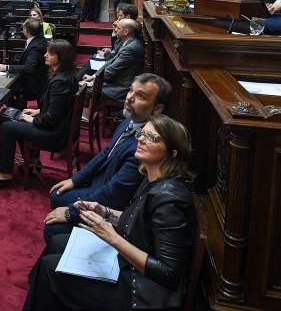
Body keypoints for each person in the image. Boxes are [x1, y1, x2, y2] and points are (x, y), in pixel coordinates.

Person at [25, 114, 197, 311]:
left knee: (50, 269)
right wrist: (104, 211)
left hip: (141, 291)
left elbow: (168, 273)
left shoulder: (170, 203)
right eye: (143, 133)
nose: (140, 139)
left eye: (152, 138)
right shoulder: (152, 176)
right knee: (57, 242)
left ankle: (42, 291)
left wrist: (110, 236)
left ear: (173, 153)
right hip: (130, 264)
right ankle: (38, 291)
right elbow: (135, 219)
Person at [44, 73, 171, 241]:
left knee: (53, 229)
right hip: (100, 184)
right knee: (57, 195)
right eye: (131, 91)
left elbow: (113, 196)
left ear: (157, 109)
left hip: (111, 207)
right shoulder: (129, 122)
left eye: (140, 96)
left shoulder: (144, 147)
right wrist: (74, 180)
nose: (130, 98)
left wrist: (70, 212)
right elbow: (105, 153)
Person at [0, 39, 78, 188]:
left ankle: (4, 174)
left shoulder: (60, 81)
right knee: (15, 116)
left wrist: (33, 120)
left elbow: (52, 118)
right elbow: (58, 107)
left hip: (54, 134)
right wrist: (37, 111)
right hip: (57, 128)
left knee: (7, 126)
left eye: (50, 53)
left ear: (61, 58)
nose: (45, 55)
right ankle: (33, 163)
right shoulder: (66, 76)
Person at [0, 18, 48, 104]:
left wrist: (6, 67)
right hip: (37, 78)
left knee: (3, 88)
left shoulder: (35, 47)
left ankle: (15, 110)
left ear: (26, 30)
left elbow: (29, 68)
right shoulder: (40, 40)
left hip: (33, 84)